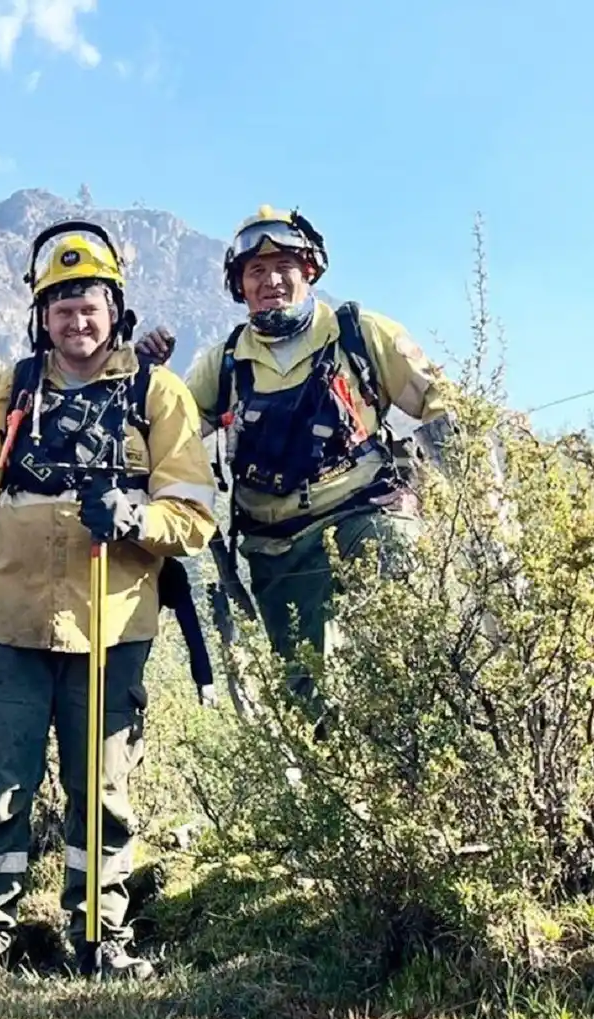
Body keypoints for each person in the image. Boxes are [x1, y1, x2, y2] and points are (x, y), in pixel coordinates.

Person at [0, 224, 217, 976]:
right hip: (11, 620)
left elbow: (192, 514)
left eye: (88, 304)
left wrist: (136, 516)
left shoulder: (159, 394)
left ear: (114, 307)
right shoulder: (14, 388)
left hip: (112, 623)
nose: (74, 320)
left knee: (104, 787)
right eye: (59, 307)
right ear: (40, 315)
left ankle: (99, 934)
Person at [139, 206, 452, 699]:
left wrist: (482, 507)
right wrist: (142, 379)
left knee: (407, 622)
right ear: (239, 286)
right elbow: (165, 436)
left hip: (362, 513)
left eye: (284, 266)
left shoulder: (359, 333)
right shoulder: (223, 363)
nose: (271, 281)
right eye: (256, 271)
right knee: (312, 698)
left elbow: (444, 410)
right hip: (276, 547)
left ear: (309, 270)